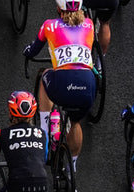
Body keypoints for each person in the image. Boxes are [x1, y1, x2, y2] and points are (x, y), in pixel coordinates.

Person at [22, 0, 96, 169]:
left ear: (58, 8)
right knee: (76, 123)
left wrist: (27, 52)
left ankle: (45, 133)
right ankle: (72, 168)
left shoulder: (49, 25)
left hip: (63, 81)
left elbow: (33, 49)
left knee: (45, 76)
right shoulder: (90, 24)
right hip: (88, 83)